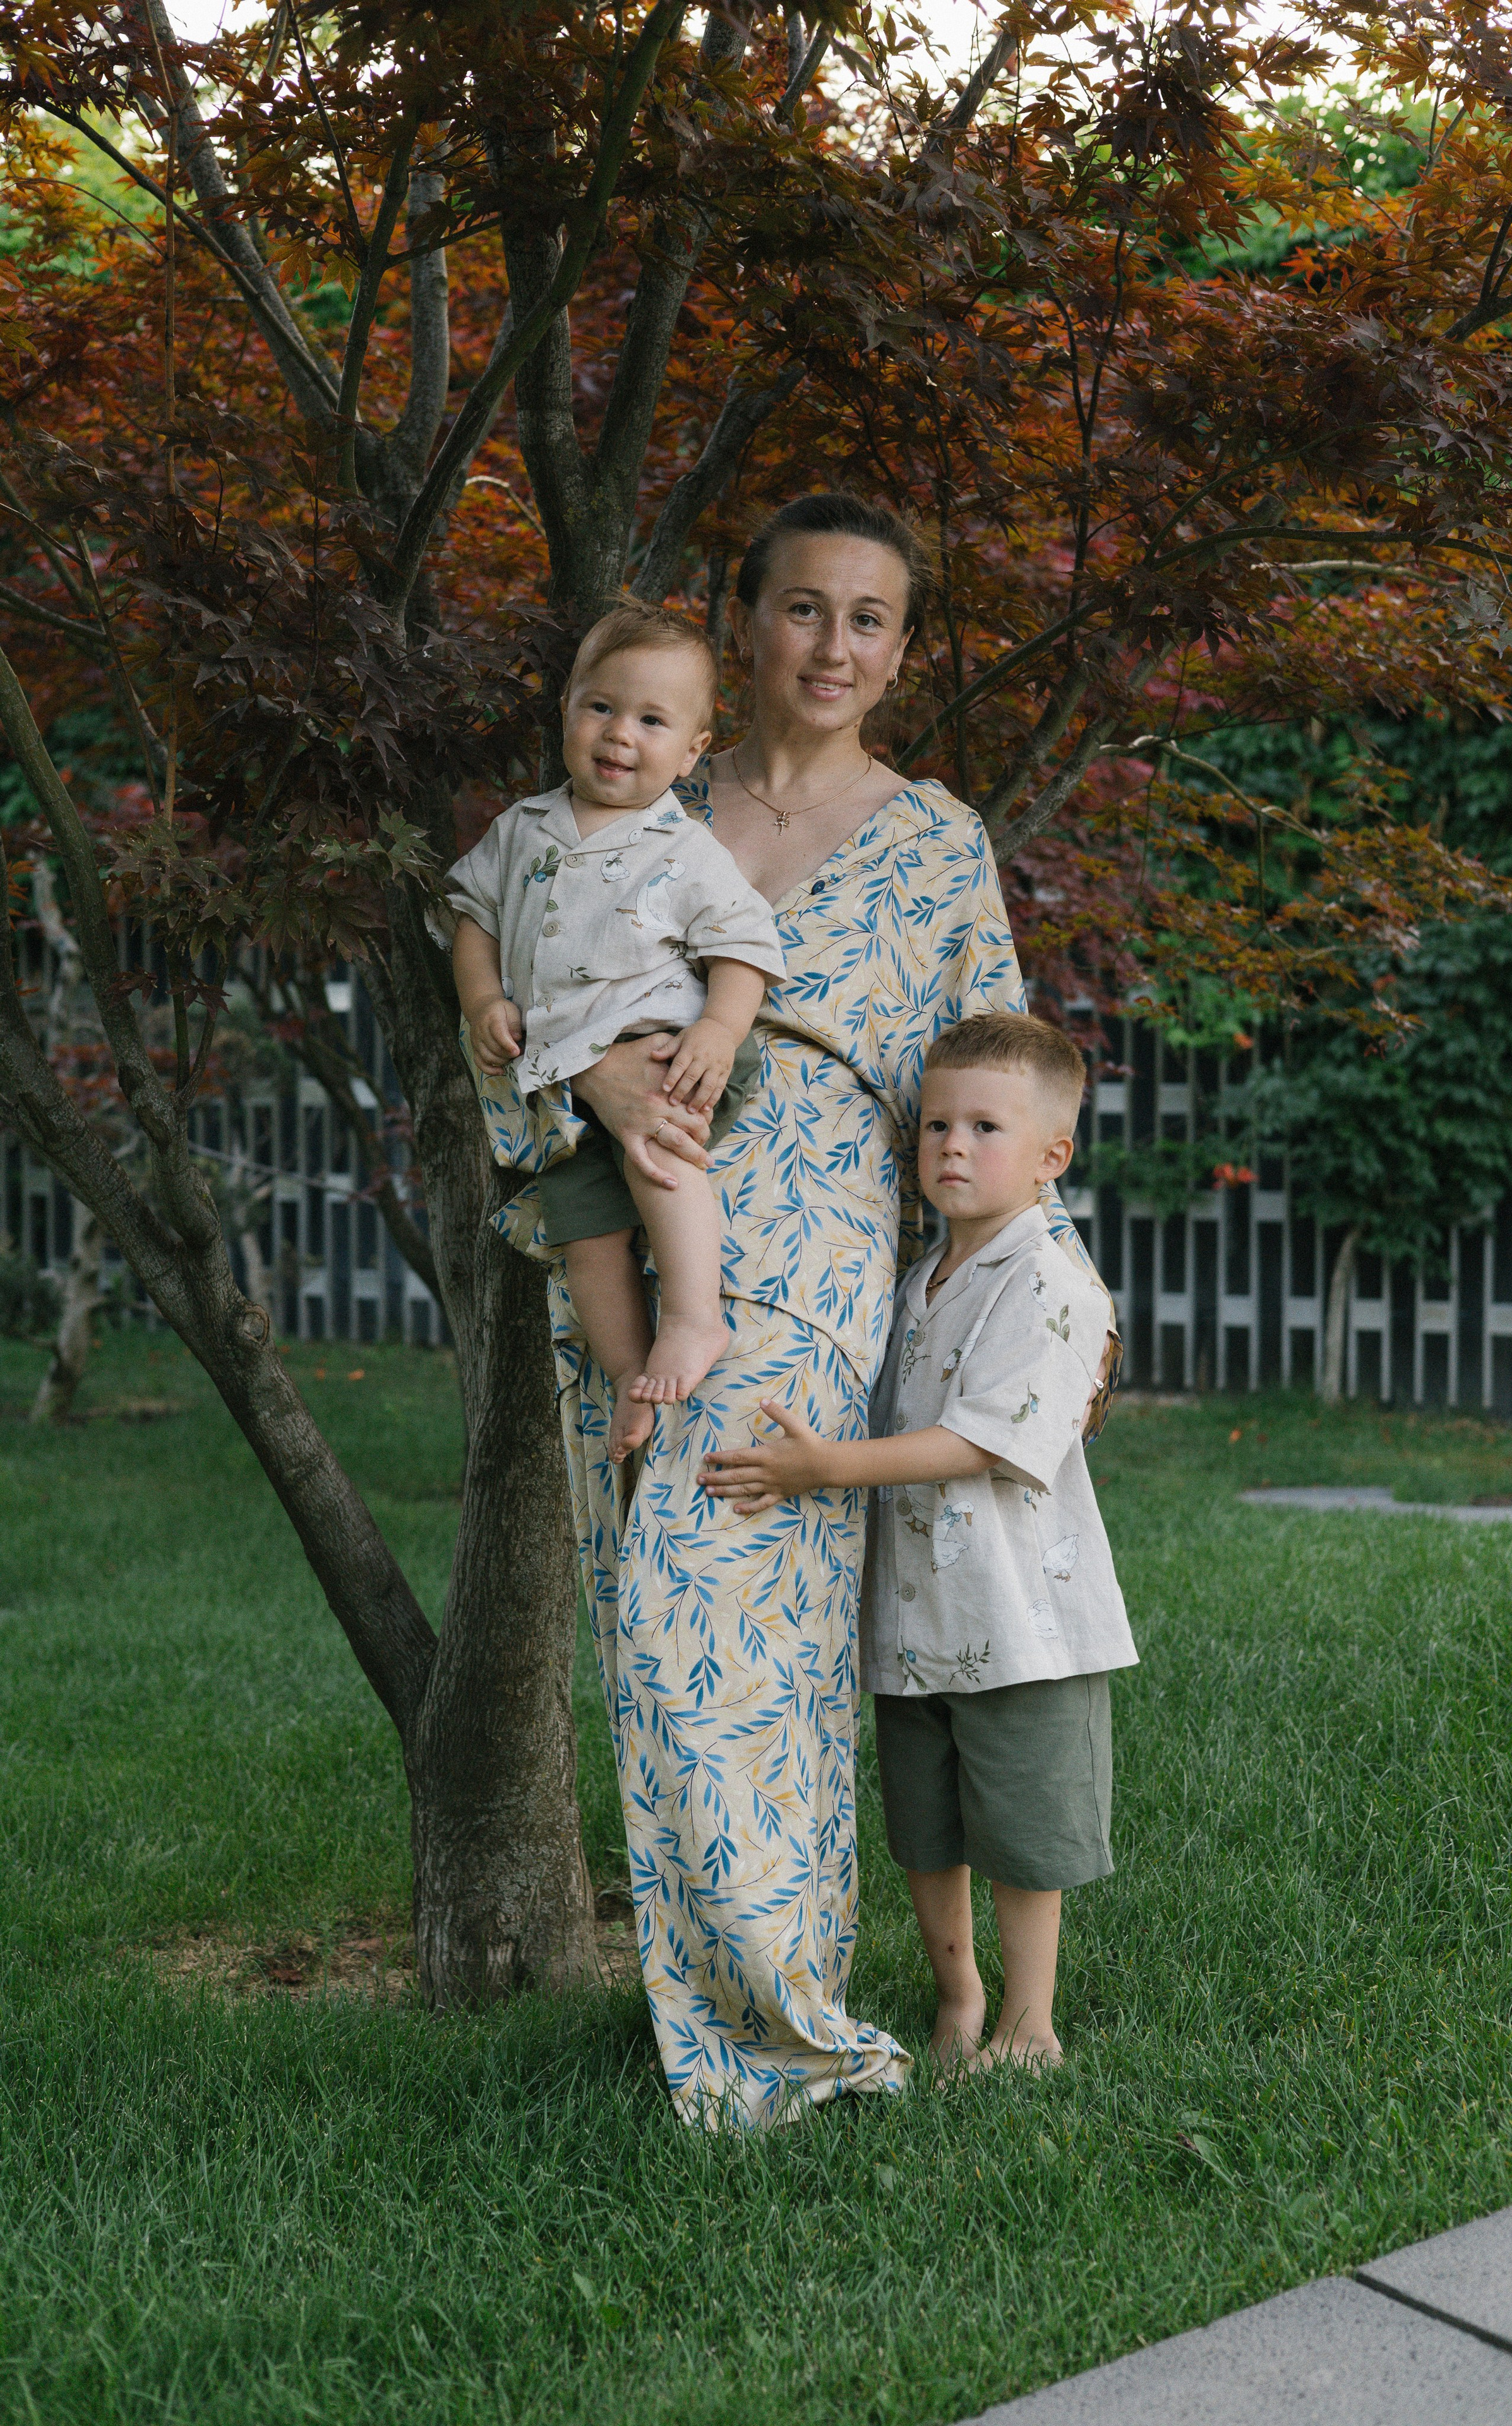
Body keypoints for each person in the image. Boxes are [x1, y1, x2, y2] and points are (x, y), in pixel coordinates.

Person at [469, 493, 1119, 2126]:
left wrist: (1061, 1311)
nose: (837, 645)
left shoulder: (934, 842)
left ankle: (782, 2042)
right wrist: (589, 1075)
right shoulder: (620, 796)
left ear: (902, 649)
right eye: (806, 608)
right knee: (691, 1631)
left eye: (874, 618)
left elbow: (1006, 1094)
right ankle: (750, 2005)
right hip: (620, 1221)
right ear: (743, 621)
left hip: (813, 1243)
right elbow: (499, 1002)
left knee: (708, 1601)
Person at [700, 1011, 1135, 2070]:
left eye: (986, 1127)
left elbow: (979, 1443)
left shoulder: (1051, 1284)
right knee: (927, 1827)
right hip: (913, 1615)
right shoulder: (918, 1279)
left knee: (1026, 1834)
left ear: (1050, 1158)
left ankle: (1032, 2024)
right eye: (937, 1123)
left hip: (1019, 1620)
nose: (950, 1146)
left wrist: (823, 1470)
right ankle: (959, 1998)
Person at [445, 602, 785, 1461]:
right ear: (568, 708)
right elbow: (472, 922)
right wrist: (485, 1001)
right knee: (585, 1231)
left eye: (652, 720)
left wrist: (718, 1024)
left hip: (670, 1049)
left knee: (659, 1157)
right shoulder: (521, 830)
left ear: (693, 749)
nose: (619, 734)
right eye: (601, 706)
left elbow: (743, 946)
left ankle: (695, 1318)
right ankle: (629, 1376)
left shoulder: (682, 847)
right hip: (565, 1088)